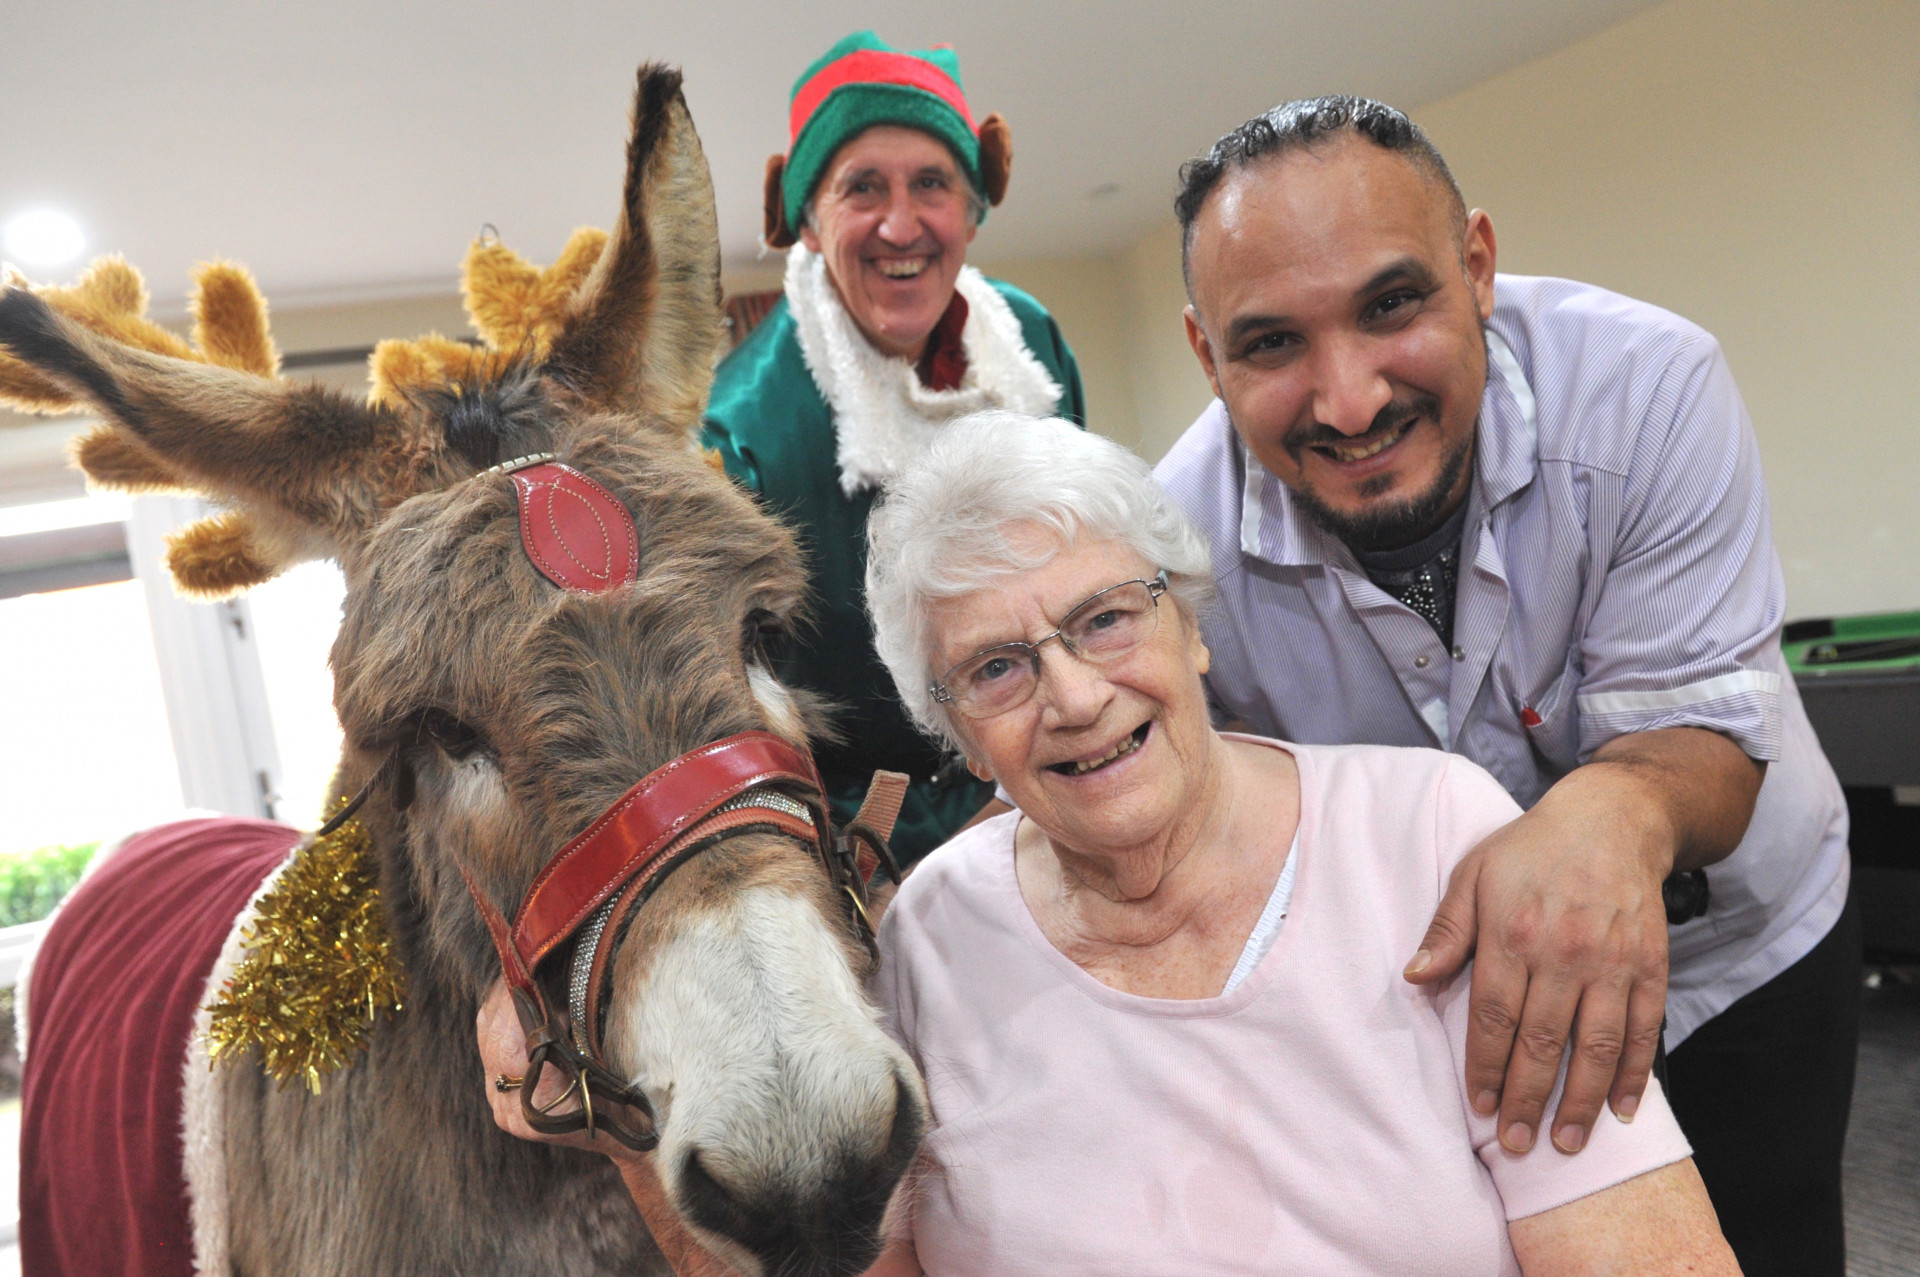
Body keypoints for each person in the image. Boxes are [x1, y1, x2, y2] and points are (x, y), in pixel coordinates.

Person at [477, 414, 1740, 1275]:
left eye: (1105, 618)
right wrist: (612, 1123)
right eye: (998, 667)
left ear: (1191, 627)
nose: (1075, 695)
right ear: (958, 735)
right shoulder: (931, 936)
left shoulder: (1436, 835)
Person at [1153, 97, 1854, 1276]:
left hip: (1745, 956)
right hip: (1465, 1017)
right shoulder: (1175, 548)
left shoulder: (1650, 386)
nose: (1351, 400)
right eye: (1272, 343)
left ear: (1476, 266)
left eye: (1391, 305)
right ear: (1206, 355)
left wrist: (1615, 809)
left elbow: (1709, 736)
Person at [702, 30, 1087, 865]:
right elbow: (737, 717)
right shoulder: (739, 429)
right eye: (862, 188)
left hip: (1066, 779)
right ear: (807, 218)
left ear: (975, 206)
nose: (900, 223)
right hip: (867, 853)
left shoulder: (1031, 343)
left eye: (933, 184)